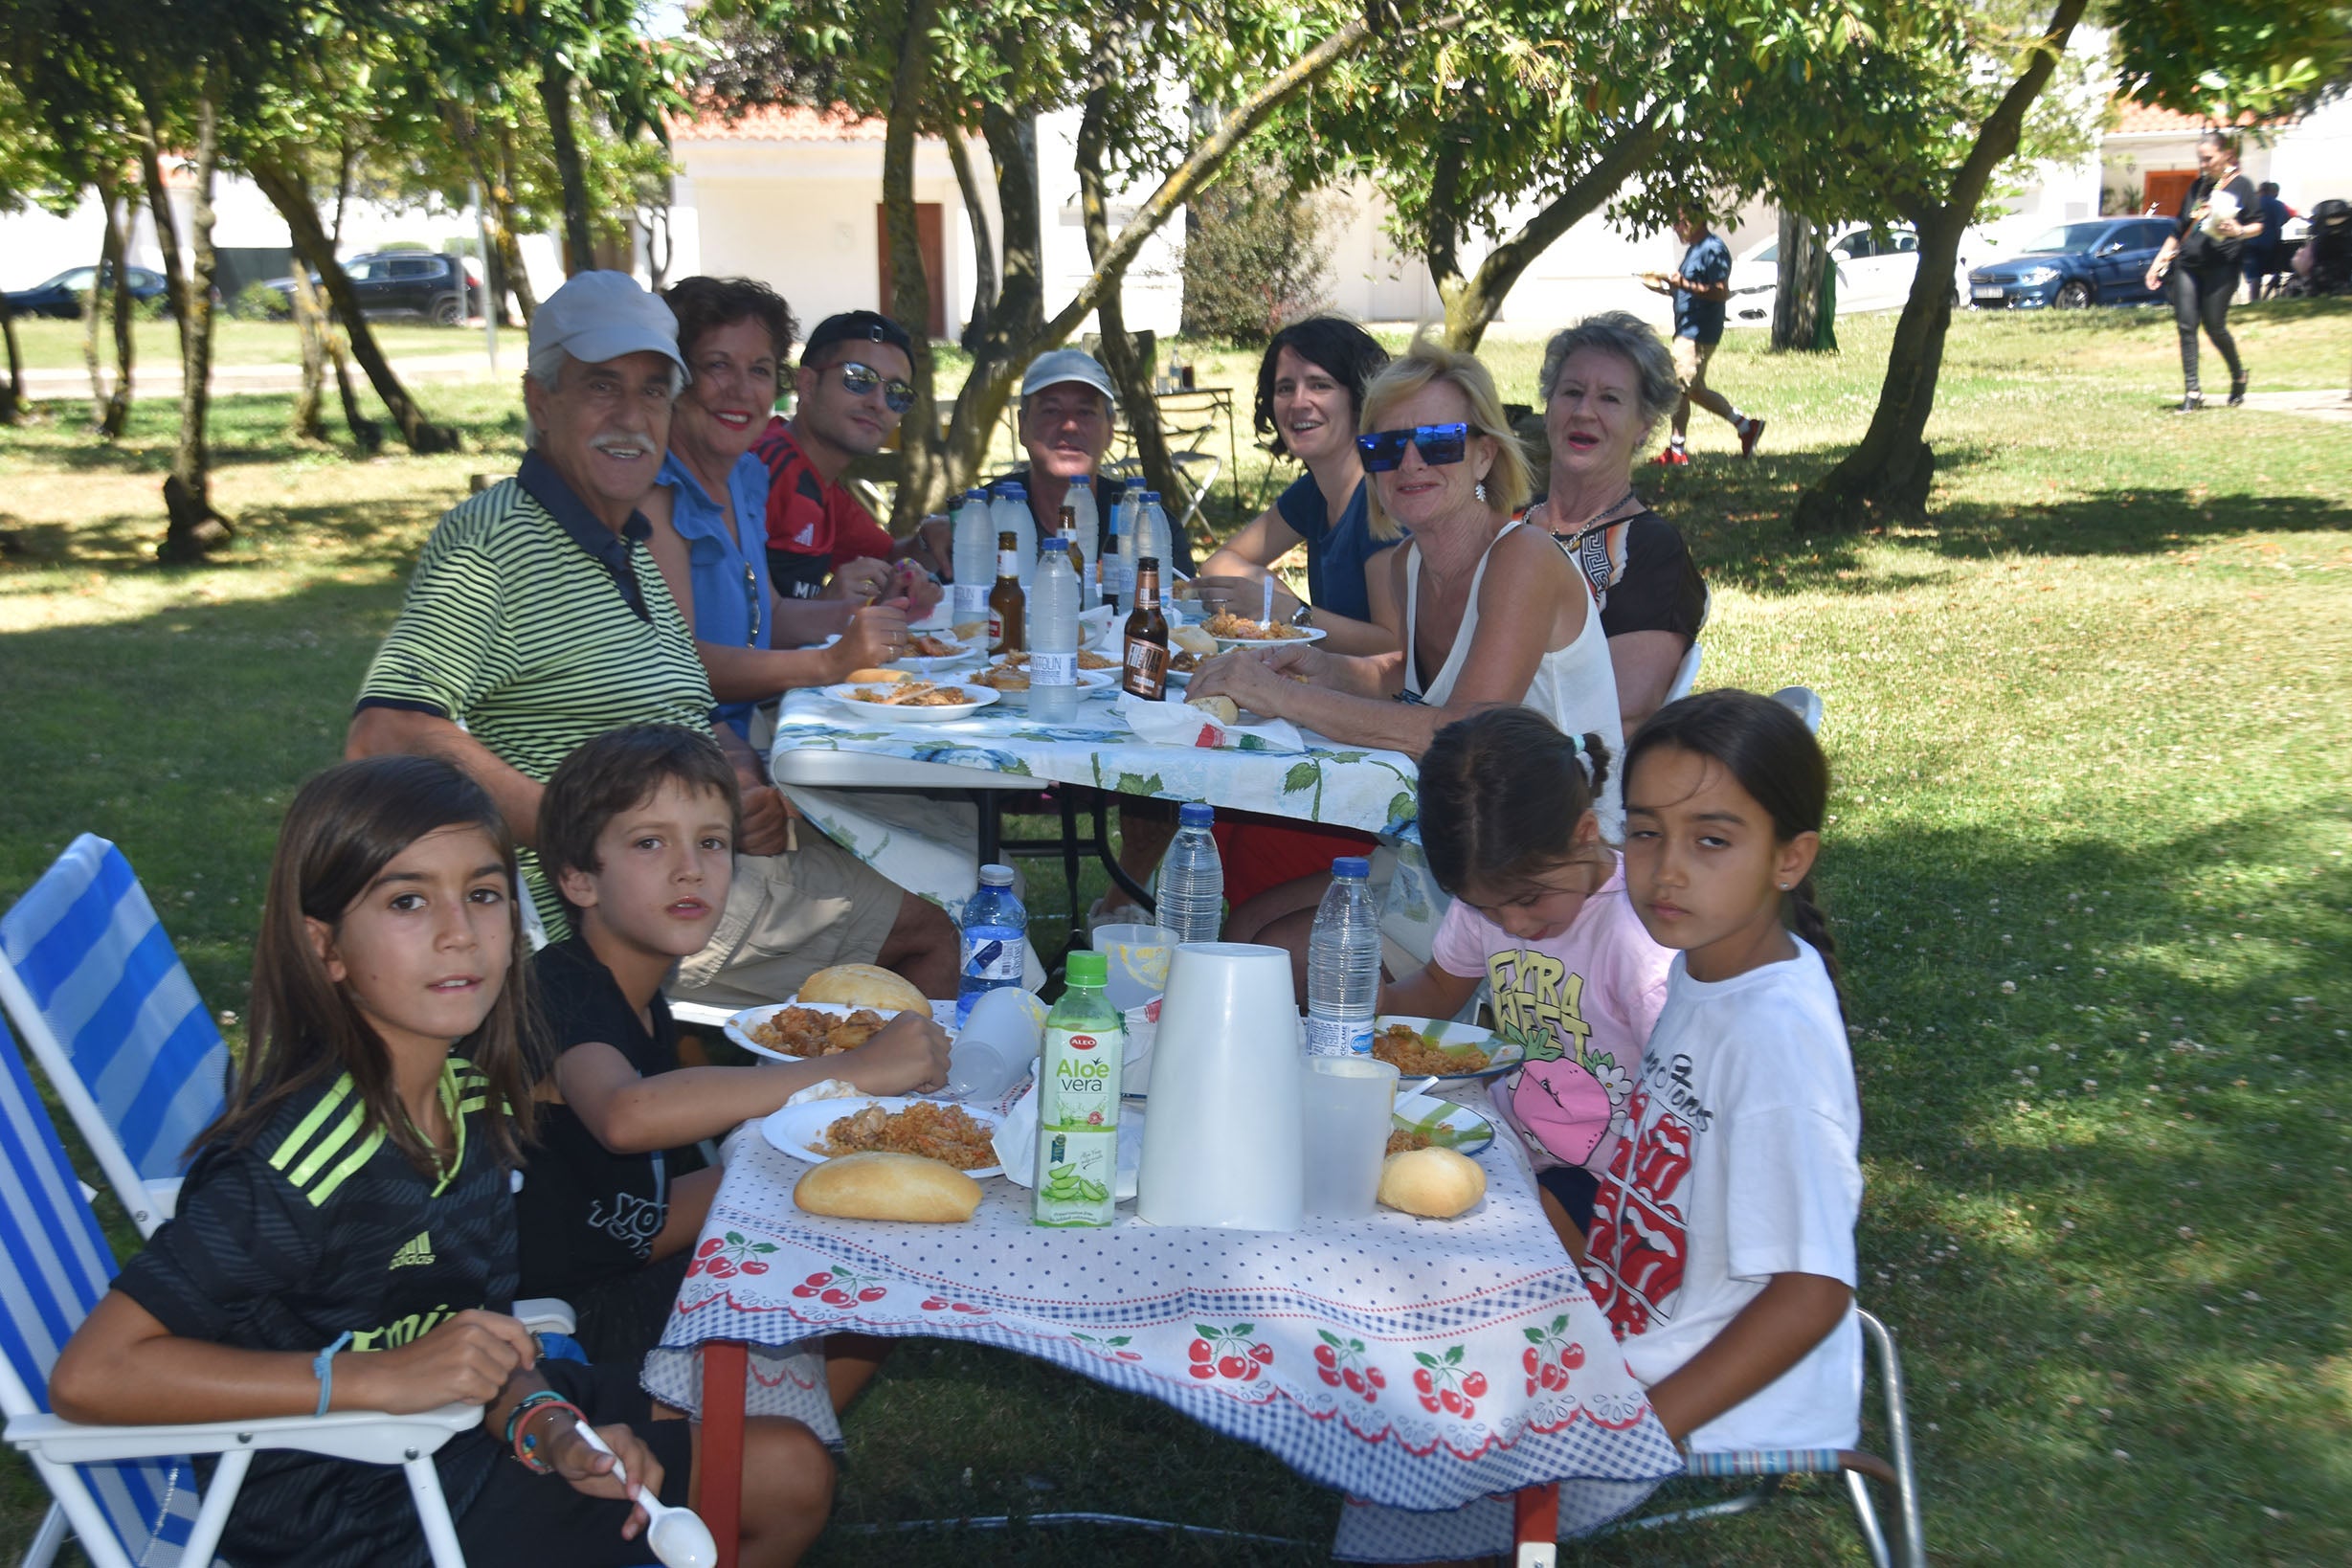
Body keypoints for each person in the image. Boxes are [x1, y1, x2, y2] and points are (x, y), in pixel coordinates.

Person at [47, 755, 833, 1568]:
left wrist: (549, 1430)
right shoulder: (299, 1162)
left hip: (458, 1437)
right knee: (764, 1475)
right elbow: (92, 1374)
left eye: (483, 894)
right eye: (408, 900)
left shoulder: (468, 1100)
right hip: (362, 1509)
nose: (459, 931)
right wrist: (376, 1380)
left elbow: (468, 1341)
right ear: (326, 948)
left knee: (788, 1469)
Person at [347, 269, 960, 1004]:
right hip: (592, 922)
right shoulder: (494, 539)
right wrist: (584, 839)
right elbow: (387, 732)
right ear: (540, 402)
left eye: (651, 391)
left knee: (946, 877)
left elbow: (684, 701)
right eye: (602, 386)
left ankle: (718, 1095)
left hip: (686, 874)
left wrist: (737, 785)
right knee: (941, 925)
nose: (632, 417)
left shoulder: (626, 540)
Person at [1191, 337, 1624, 993]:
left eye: (1439, 442)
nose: (1410, 464)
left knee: (1273, 963)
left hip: (1547, 864)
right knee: (1245, 927)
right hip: (1450, 840)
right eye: (1385, 447)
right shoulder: (1407, 566)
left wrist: (1283, 696)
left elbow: (1460, 731)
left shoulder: (1524, 559)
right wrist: (1311, 667)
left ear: (1483, 452)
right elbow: (1406, 678)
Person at [516, 726, 952, 1367]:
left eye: (712, 843)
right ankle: (748, 1452)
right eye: (648, 843)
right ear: (578, 879)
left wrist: (798, 1165)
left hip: (611, 1263)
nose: (689, 867)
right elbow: (625, 1116)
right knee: (853, 1274)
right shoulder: (562, 988)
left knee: (861, 1214)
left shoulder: (640, 1001)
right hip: (556, 1323)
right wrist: (854, 1070)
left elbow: (634, 1214)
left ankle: (769, 1435)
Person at [1583, 688, 1860, 1454]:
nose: (1665, 871)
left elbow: (1812, 1293)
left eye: (1710, 841)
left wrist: (1638, 1432)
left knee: (1431, 1452)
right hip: (1633, 1341)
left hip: (1701, 1402)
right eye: (1644, 833)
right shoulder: (1700, 970)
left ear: (1789, 858)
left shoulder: (1773, 1039)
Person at [1379, 710, 1670, 1256]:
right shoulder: (1495, 894)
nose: (1511, 925)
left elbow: (1686, 1115)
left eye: (1528, 900)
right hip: (1511, 1143)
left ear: (1585, 835)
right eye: (1484, 909)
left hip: (1613, 1184)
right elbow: (1441, 991)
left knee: (1467, 1252)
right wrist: (1379, 1004)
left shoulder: (1639, 945)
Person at [642, 276, 915, 741]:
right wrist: (829, 661)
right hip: (695, 742)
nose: (741, 390)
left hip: (749, 723)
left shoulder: (745, 477)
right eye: (718, 366)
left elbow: (768, 615)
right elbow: (678, 666)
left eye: (760, 370)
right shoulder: (655, 491)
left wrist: (873, 617)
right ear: (677, 377)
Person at [1520, 313, 1710, 734]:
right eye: (1571, 392)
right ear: (1548, 407)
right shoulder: (1506, 522)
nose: (1584, 412)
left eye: (1610, 399)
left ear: (1644, 426)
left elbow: (1622, 712)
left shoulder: (1649, 550)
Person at [1195, 318, 1401, 656]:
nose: (1298, 402)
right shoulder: (1313, 492)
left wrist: (1293, 615)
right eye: (1285, 388)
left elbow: (1394, 646)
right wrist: (1273, 596)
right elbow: (1218, 564)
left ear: (1360, 398)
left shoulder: (1382, 495)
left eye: (1320, 385)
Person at [753, 309, 949, 603]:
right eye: (858, 379)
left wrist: (928, 539)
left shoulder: (823, 485)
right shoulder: (762, 469)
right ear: (807, 384)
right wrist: (829, 607)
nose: (878, 403)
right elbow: (726, 629)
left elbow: (887, 558)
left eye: (897, 393)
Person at [996, 348, 1197, 575]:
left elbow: (1186, 602)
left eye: (1085, 412)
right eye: (1051, 411)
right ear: (1022, 425)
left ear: (1110, 429)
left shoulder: (1147, 523)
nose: (1069, 426)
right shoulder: (982, 517)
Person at [2146, 130, 2259, 413]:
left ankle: (2239, 374)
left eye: (2209, 158)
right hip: (2188, 264)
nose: (2204, 164)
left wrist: (2239, 230)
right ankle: (2193, 391)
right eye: (2201, 159)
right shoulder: (2198, 188)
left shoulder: (2242, 186)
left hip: (2222, 266)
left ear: (2225, 154)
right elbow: (2179, 229)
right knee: (2186, 325)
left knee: (2214, 326)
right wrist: (2157, 263)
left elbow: (2258, 224)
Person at [1642, 206, 1763, 462]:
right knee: (1694, 390)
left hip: (1698, 331)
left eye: (1680, 221)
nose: (1675, 227)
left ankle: (1676, 452)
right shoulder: (1695, 251)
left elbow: (1720, 292)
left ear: (1697, 219)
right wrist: (1667, 290)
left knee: (1677, 388)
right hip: (1688, 328)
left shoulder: (1713, 249)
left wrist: (1683, 284)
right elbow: (1691, 290)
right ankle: (1746, 426)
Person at [2244, 180, 2295, 302]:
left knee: (2255, 275)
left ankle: (2254, 300)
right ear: (2272, 191)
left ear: (2260, 191)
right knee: (2273, 271)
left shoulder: (2252, 203)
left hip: (2250, 242)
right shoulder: (2278, 205)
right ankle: (2266, 297)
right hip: (2271, 243)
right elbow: (2285, 219)